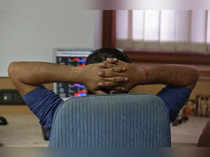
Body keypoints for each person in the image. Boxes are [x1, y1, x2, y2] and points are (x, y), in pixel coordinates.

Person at [8, 48, 199, 139]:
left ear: (88, 85)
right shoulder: (156, 113)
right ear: (129, 84)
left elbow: (16, 71)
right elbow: (190, 76)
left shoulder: (59, 115)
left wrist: (78, 74)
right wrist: (141, 73)